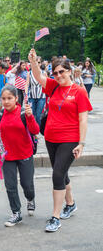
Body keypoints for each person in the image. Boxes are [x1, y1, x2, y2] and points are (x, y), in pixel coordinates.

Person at [28, 49, 92, 232]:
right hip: (51, 138)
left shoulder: (79, 91)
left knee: (57, 175)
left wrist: (82, 143)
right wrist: (33, 61)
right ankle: (70, 204)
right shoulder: (53, 86)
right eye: (55, 72)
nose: (58, 75)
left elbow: (83, 119)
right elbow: (38, 76)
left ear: (69, 71)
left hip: (70, 139)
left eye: (61, 71)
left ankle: (55, 217)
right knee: (61, 173)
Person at [0, 85, 39, 226]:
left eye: (9, 98)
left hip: (25, 153)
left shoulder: (23, 112)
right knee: (10, 186)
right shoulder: (0, 114)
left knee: (27, 184)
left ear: (16, 98)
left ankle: (30, 198)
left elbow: (35, 130)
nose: (6, 101)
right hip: (7, 157)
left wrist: (30, 116)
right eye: (4, 99)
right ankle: (16, 213)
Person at [27, 57, 46, 126]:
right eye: (35, 62)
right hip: (31, 96)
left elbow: (46, 85)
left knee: (38, 115)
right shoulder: (29, 73)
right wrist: (26, 95)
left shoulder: (44, 73)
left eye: (39, 62)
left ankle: (37, 130)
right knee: (32, 114)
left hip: (41, 96)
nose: (37, 64)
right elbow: (27, 85)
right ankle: (33, 130)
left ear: (41, 63)